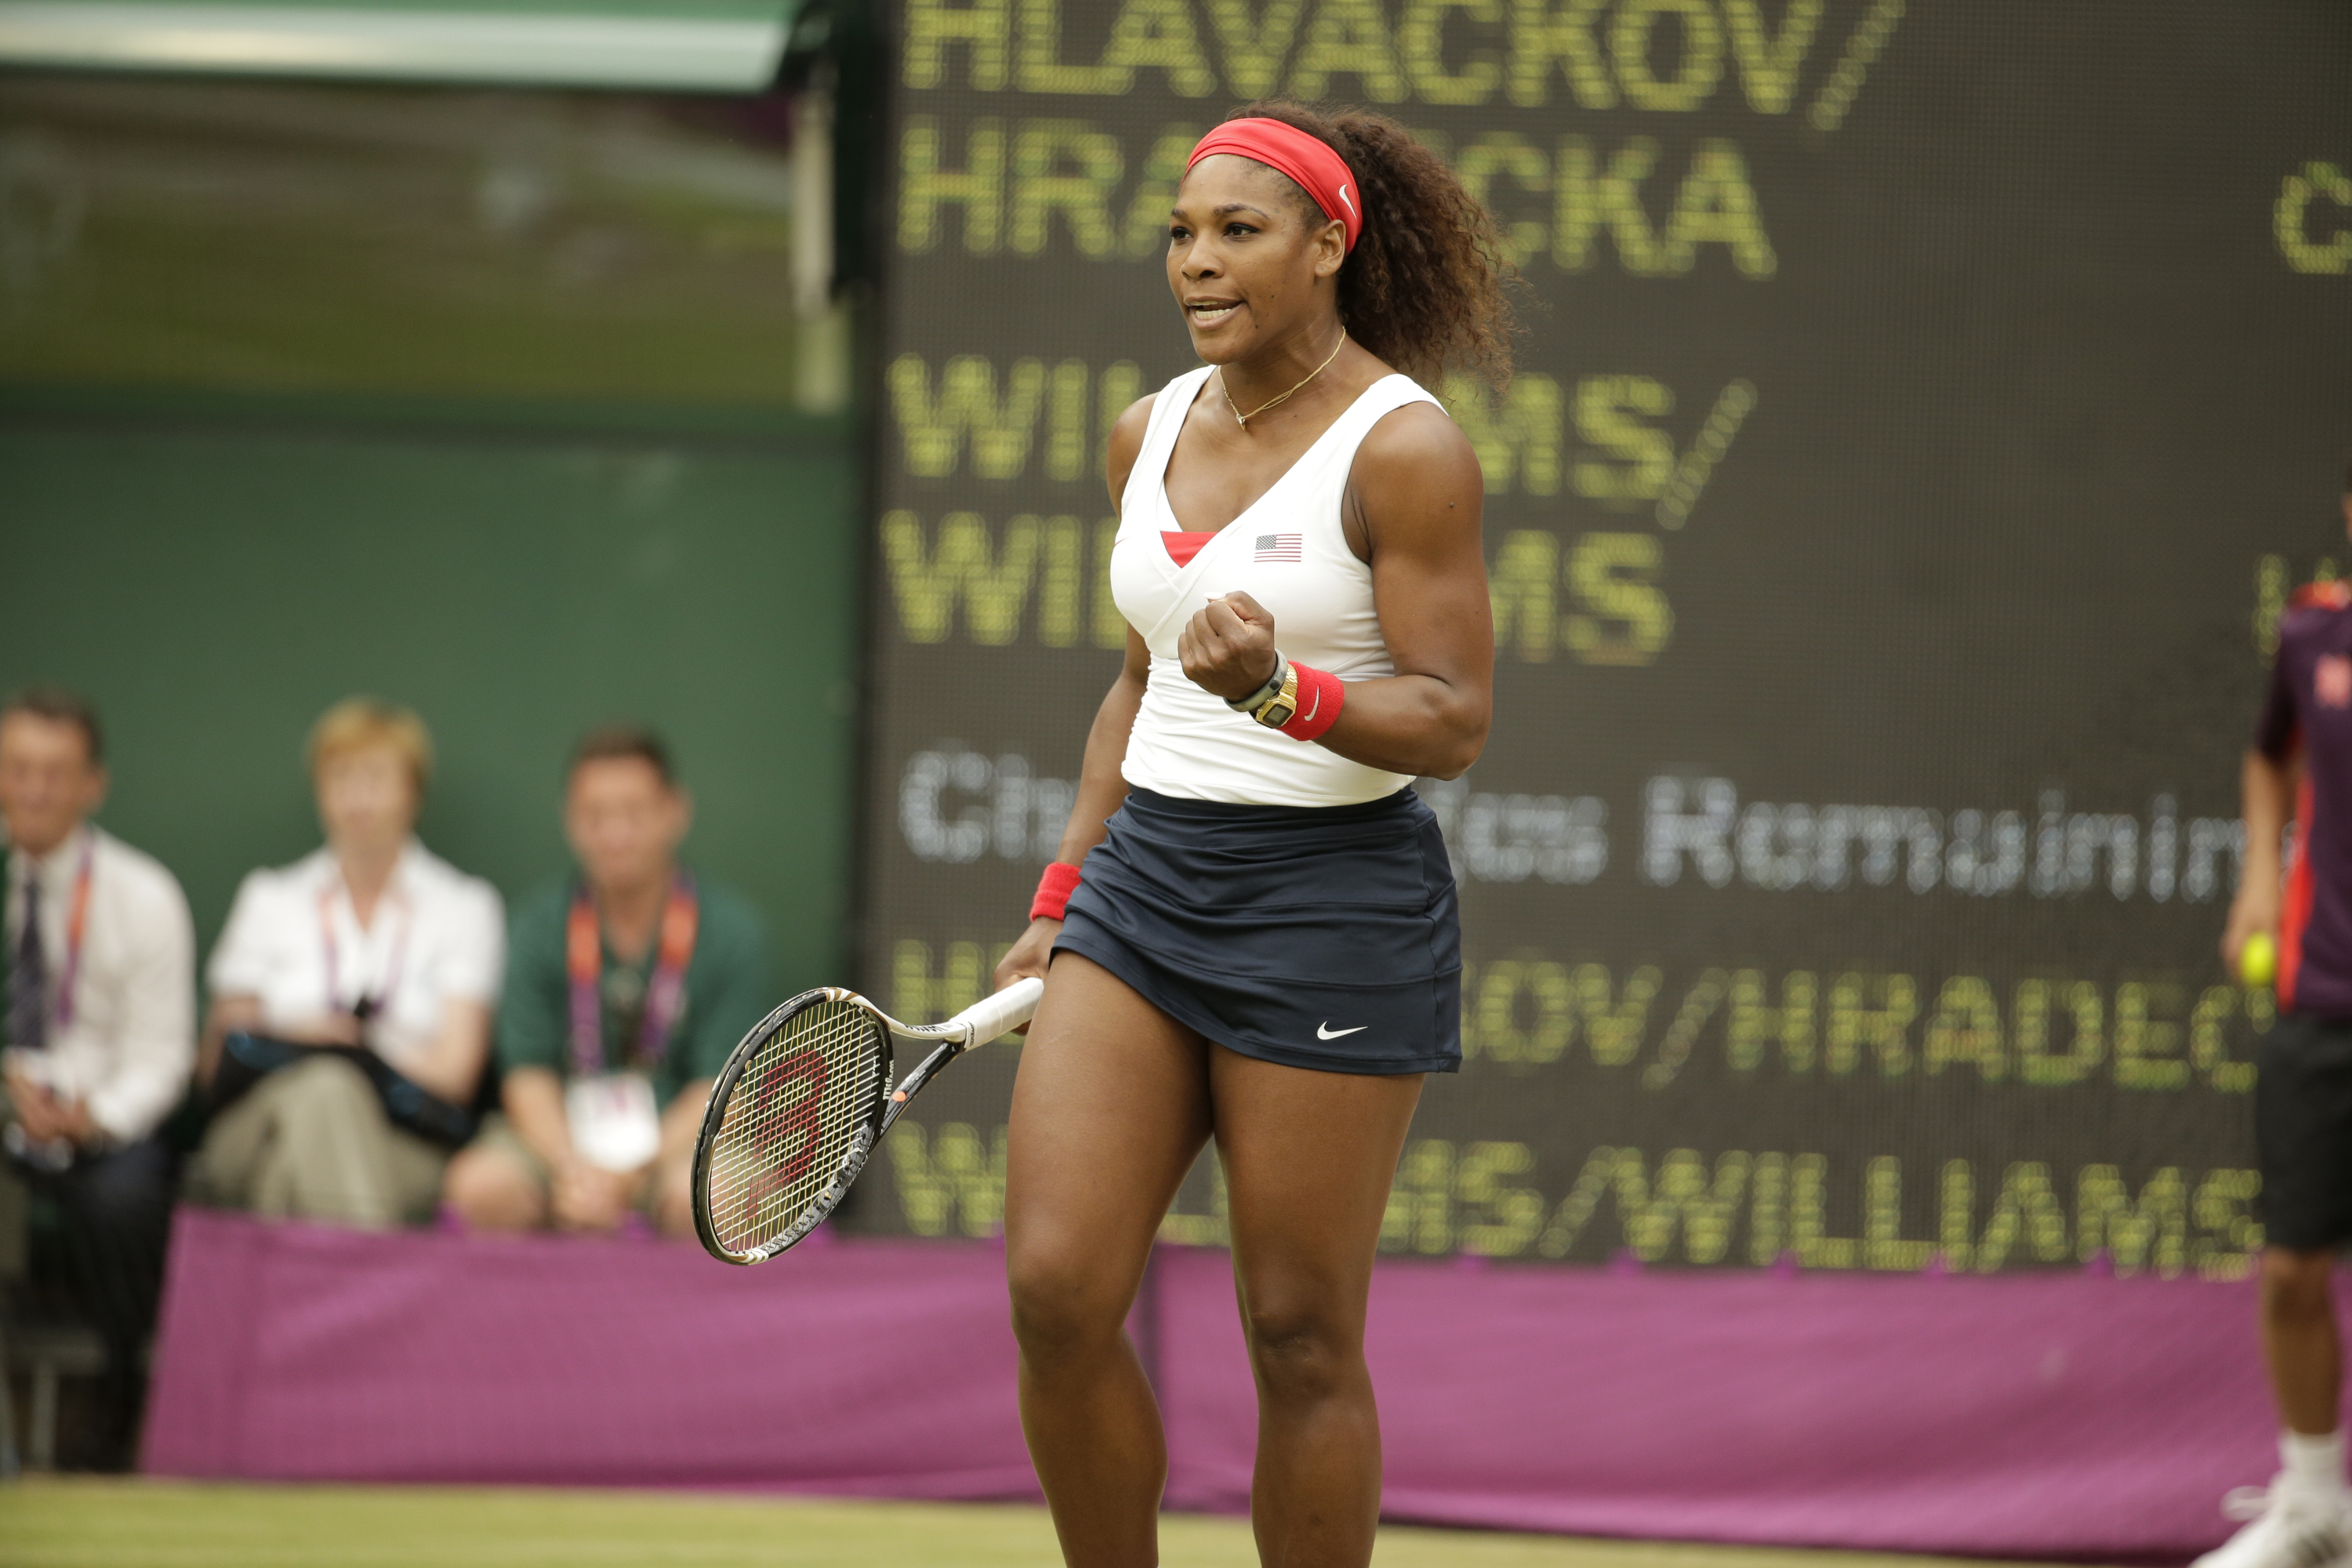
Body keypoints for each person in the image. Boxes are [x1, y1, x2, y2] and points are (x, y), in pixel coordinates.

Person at [989, 100, 1504, 1565]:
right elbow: (1137, 686)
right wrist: (1062, 888)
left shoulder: (1405, 449)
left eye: (1238, 231)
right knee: (1056, 1294)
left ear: (1329, 245)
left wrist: (1285, 688)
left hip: (1332, 907)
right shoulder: (1144, 431)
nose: (1196, 263)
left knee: (1296, 1334)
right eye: (1180, 235)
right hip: (1143, 889)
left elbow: (1454, 718)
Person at [441, 727, 770, 1241]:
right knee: (482, 1185)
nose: (615, 834)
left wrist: (628, 1173)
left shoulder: (732, 931)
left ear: (675, 812)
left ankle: (689, 1322)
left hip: (682, 1145)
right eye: (595, 816)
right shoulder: (537, 926)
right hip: (559, 1144)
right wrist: (573, 1169)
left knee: (715, 1196)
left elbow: (719, 1088)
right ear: (570, 821)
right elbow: (526, 1074)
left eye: (634, 814)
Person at [188, 699, 503, 1230]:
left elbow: (455, 1074)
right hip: (258, 1122)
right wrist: (301, 1039)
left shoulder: (464, 906)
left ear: (414, 792)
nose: (358, 798)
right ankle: (366, 1305)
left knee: (294, 1167)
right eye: (341, 779)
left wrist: (363, 1053)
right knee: (323, 1088)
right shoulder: (270, 897)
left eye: (376, 778)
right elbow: (216, 1059)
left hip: (401, 1138)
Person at [2212, 464, 2352, 1568]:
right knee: (2293, 1270)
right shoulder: (2311, 639)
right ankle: (2313, 1510)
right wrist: (2262, 874)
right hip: (2325, 1002)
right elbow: (2269, 755)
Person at [0, 687, 195, 1468]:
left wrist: (89, 1117)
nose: (35, 788)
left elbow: (162, 1057)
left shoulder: (143, 894)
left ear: (93, 785)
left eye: (56, 770)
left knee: (127, 1199)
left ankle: (118, 1406)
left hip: (103, 1130)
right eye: (17, 767)